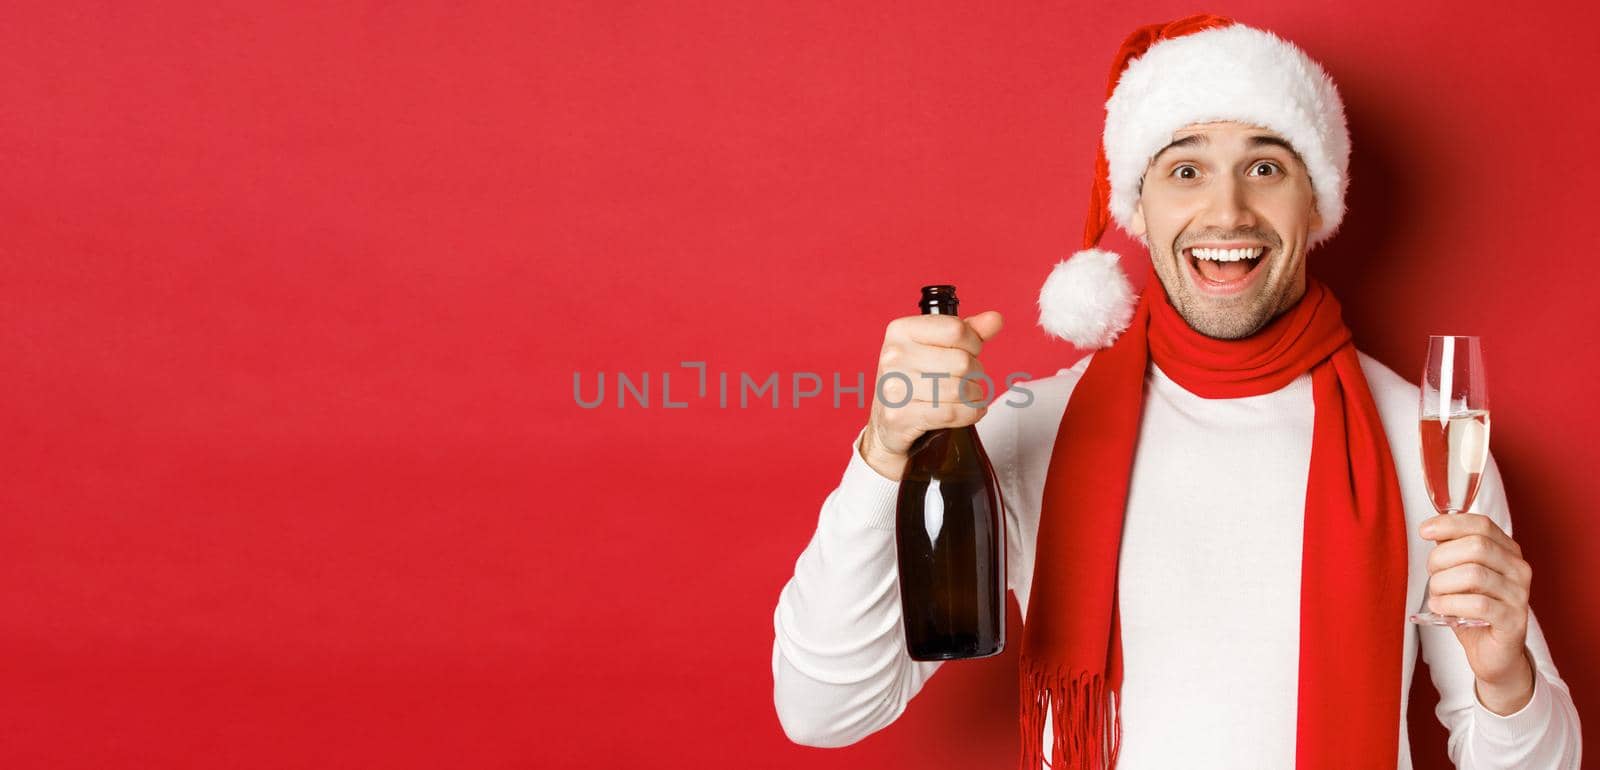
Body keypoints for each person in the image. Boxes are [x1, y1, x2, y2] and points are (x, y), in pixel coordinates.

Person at [770, 15, 1582, 770]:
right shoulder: (1033, 428)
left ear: (1317, 202)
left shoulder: (1423, 437)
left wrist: (1507, 680)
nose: (1226, 210)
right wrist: (886, 455)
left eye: (1266, 167)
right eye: (1185, 169)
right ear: (1140, 210)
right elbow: (824, 709)